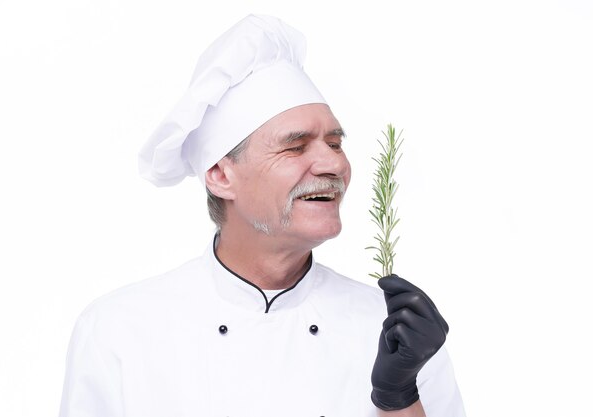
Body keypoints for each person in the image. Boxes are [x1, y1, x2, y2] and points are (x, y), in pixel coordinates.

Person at [59, 14, 465, 417]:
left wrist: (398, 395)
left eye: (335, 143)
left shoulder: (398, 332)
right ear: (220, 174)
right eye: (296, 146)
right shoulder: (118, 334)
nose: (333, 164)